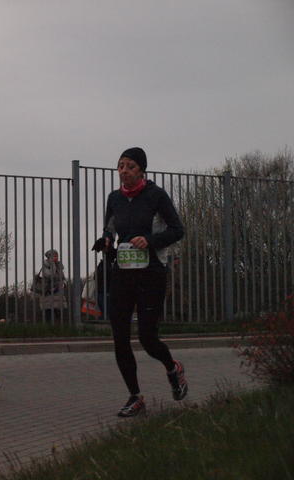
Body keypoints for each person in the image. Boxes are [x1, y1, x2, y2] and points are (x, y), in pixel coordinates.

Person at [93, 147, 187, 417]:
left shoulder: (156, 196)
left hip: (151, 273)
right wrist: (106, 240)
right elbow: (110, 227)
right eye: (120, 166)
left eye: (130, 166)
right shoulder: (114, 198)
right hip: (123, 273)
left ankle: (173, 368)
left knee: (147, 337)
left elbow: (177, 230)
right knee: (120, 338)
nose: (124, 171)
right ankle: (135, 397)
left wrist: (150, 240)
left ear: (141, 171)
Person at [39, 249, 66, 324]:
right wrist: (53, 264)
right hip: (48, 291)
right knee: (48, 310)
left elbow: (62, 277)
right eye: (54, 256)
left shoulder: (59, 265)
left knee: (58, 310)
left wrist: (64, 282)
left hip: (57, 290)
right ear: (49, 257)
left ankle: (58, 325)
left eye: (57, 256)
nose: (56, 257)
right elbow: (50, 275)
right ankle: (48, 326)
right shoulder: (46, 266)